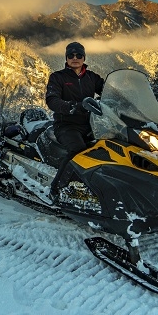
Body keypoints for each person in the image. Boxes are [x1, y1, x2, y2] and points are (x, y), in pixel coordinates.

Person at [45, 41, 104, 198]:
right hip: (66, 125)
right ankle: (56, 188)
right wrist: (73, 106)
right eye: (71, 55)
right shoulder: (58, 77)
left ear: (84, 57)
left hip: (92, 125)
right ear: (66, 58)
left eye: (79, 55)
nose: (75, 58)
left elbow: (111, 92)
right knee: (77, 149)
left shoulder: (92, 78)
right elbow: (52, 100)